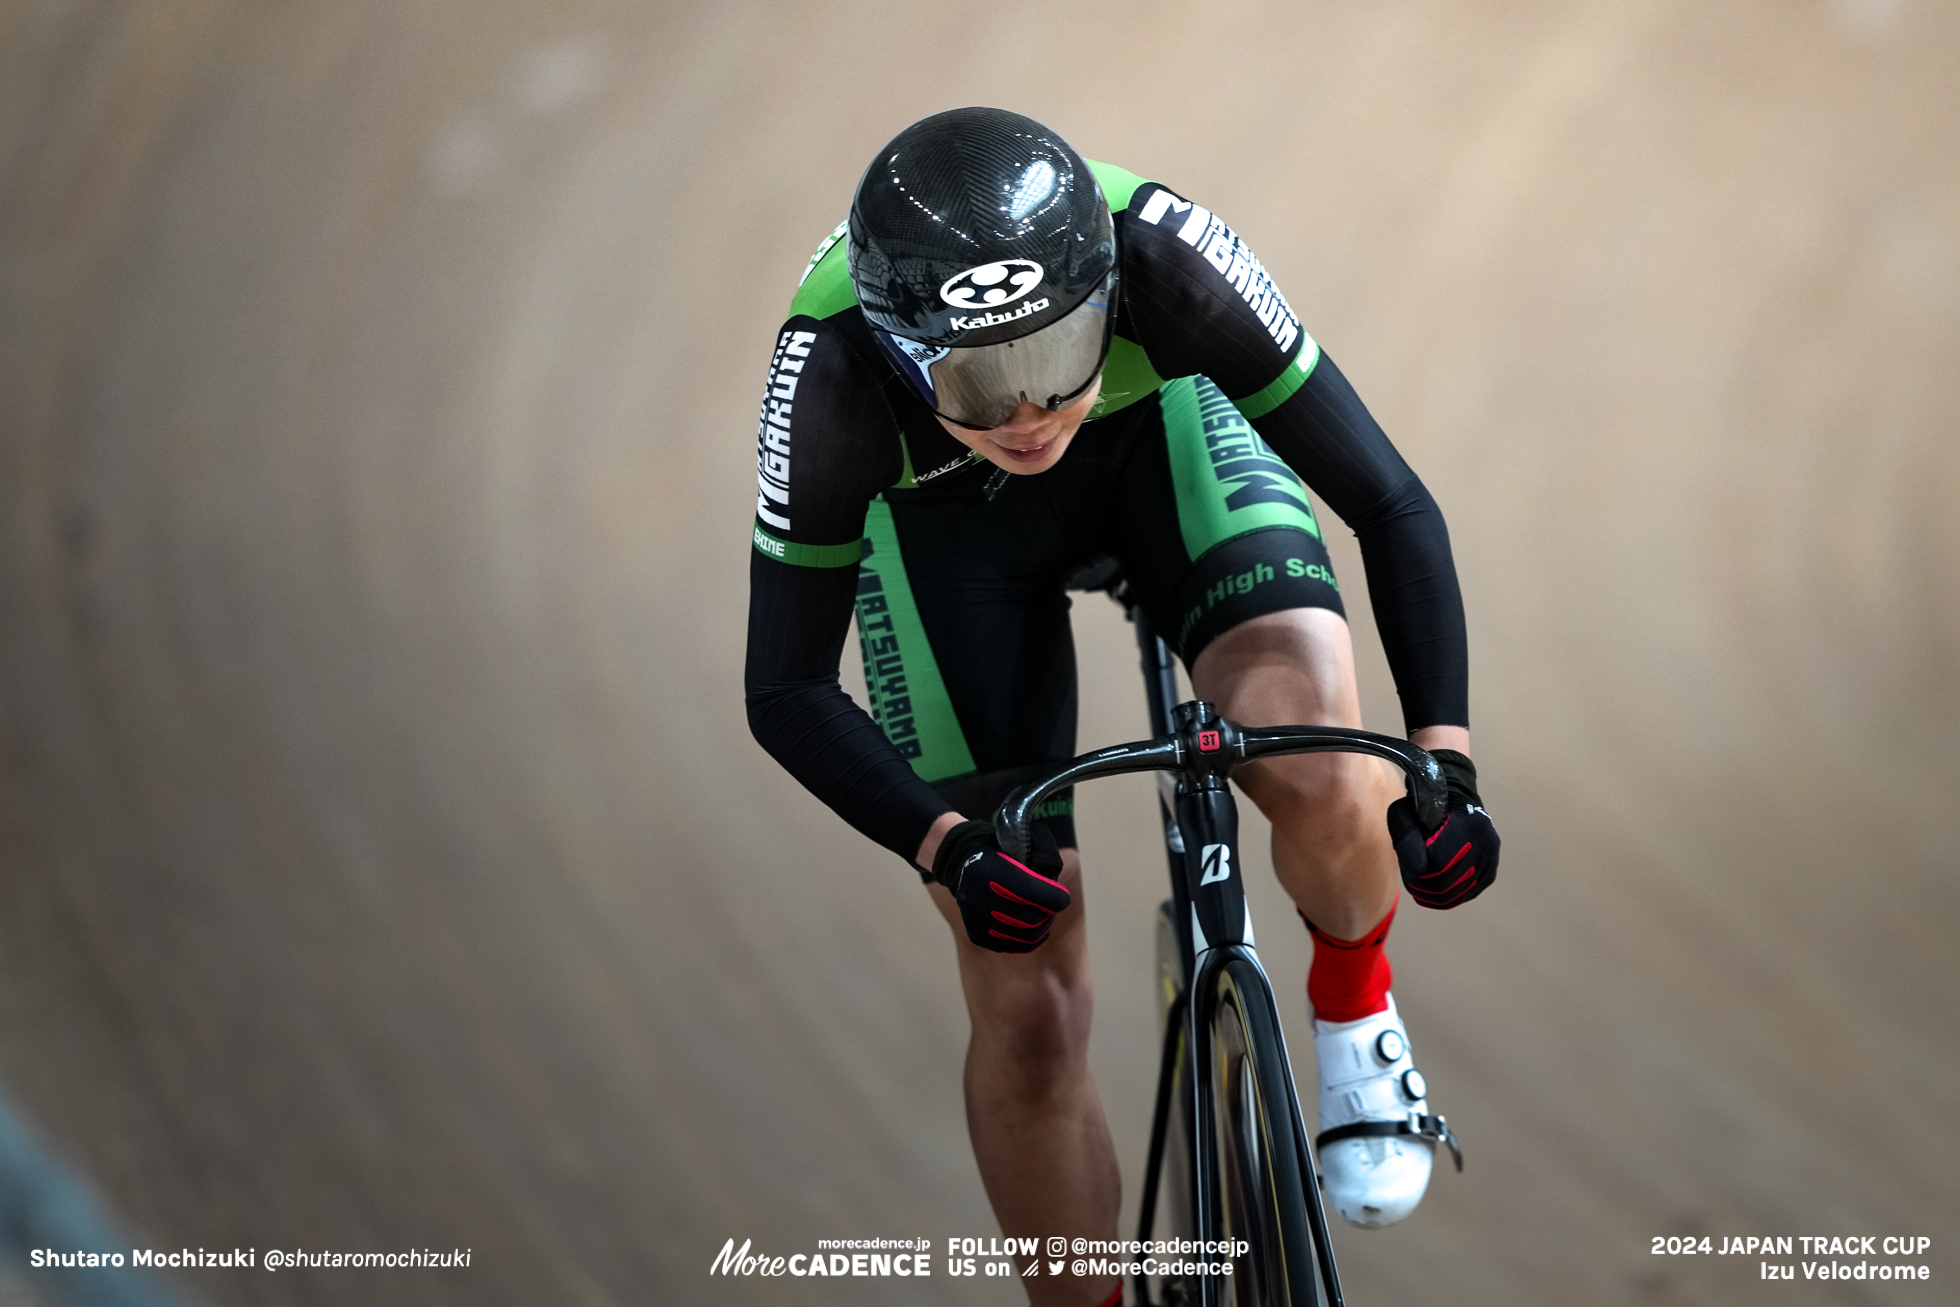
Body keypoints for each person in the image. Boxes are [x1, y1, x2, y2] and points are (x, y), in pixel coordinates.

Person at [744, 107, 1500, 1307]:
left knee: (1321, 767)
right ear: (895, 350)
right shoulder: (831, 372)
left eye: (1055, 356)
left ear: (1106, 290)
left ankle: (1356, 1010)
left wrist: (1442, 763)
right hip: (943, 542)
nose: (1028, 413)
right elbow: (782, 685)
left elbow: (1394, 503)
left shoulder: (1167, 263)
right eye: (978, 383)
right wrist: (943, 847)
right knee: (1027, 992)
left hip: (1163, 437)